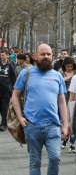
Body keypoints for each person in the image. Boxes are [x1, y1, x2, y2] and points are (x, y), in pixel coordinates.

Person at [11, 44, 69, 174]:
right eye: (42, 54)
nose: (46, 57)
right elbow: (15, 96)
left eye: (48, 54)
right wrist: (20, 117)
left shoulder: (57, 76)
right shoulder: (26, 73)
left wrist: (65, 124)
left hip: (53, 124)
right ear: (35, 56)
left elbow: (62, 102)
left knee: (55, 158)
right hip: (31, 124)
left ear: (52, 56)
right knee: (35, 162)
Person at [59, 56, 76, 153]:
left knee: (73, 121)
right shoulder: (60, 73)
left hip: (74, 98)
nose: (69, 68)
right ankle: (65, 138)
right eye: (67, 66)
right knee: (64, 121)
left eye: (71, 66)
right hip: (63, 97)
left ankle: (72, 144)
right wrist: (63, 80)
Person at [0, 50, 16, 131]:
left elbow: (13, 77)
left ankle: (4, 123)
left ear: (7, 55)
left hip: (6, 88)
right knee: (1, 106)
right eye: (1, 55)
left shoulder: (10, 65)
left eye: (3, 55)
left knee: (5, 106)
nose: (1, 57)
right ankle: (3, 120)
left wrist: (13, 88)